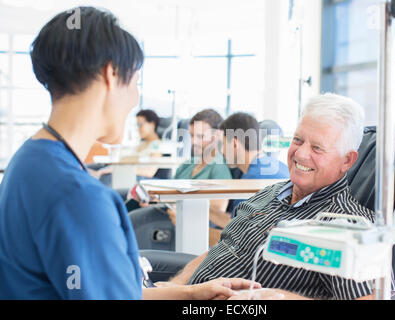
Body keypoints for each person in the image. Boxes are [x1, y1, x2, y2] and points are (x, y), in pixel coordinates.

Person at [0, 6, 257, 300]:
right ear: (111, 72)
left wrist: (188, 293)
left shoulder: (28, 162)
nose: (135, 97)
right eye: (136, 81)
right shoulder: (79, 197)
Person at [164, 93, 380, 300]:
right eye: (297, 140)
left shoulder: (349, 226)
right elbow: (222, 248)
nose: (301, 154)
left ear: (347, 161)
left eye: (317, 148)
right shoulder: (269, 193)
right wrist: (176, 286)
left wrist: (286, 298)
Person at [130, 109, 233, 247]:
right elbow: (171, 191)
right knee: (129, 211)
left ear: (216, 137)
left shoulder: (219, 166)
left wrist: (177, 207)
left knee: (133, 222)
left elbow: (217, 209)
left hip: (186, 222)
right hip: (169, 212)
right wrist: (157, 199)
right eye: (191, 135)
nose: (193, 141)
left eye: (200, 136)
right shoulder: (188, 164)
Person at [208, 112, 290, 245]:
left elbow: (236, 239)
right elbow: (237, 222)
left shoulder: (252, 181)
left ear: (234, 144)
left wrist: (188, 226)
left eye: (222, 145)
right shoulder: (278, 167)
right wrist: (206, 211)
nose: (221, 152)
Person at [92, 109, 170, 184]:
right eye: (137, 125)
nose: (138, 128)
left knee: (105, 178)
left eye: (141, 125)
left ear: (152, 124)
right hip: (125, 171)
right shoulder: (141, 144)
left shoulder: (157, 146)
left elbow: (149, 172)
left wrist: (118, 170)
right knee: (88, 169)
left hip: (136, 176)